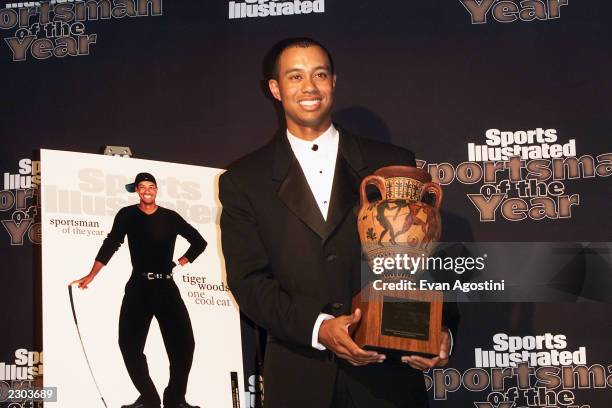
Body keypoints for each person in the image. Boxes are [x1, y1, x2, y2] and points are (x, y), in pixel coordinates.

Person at [219, 38, 459, 408]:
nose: (309, 87)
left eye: (319, 75)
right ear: (275, 88)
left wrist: (441, 331)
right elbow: (248, 282)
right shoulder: (243, 181)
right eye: (295, 76)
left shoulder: (392, 163)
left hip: (388, 378)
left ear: (333, 82)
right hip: (300, 380)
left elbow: (430, 264)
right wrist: (319, 329)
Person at [71, 172, 206, 408]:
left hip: (166, 287)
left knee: (185, 345)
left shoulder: (170, 217)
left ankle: (175, 399)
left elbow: (199, 242)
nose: (147, 190)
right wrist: (91, 275)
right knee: (129, 345)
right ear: (136, 190)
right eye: (142, 186)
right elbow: (111, 243)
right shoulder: (127, 215)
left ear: (156, 190)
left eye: (151, 186)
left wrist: (183, 260)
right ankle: (149, 399)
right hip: (139, 288)